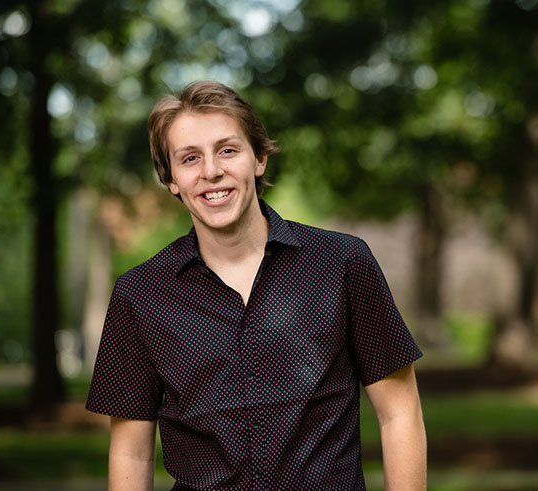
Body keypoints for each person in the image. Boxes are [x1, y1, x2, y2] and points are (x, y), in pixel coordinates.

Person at [86, 80, 426, 490]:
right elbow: (131, 451)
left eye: (228, 150)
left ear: (259, 158)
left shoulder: (343, 263)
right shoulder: (139, 295)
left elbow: (400, 413)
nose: (211, 171)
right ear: (171, 177)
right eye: (190, 158)